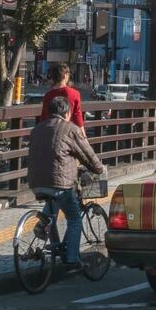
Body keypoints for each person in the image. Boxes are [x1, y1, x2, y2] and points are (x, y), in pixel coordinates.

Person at [27, 95, 105, 267]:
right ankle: (72, 258)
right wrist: (99, 169)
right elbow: (87, 154)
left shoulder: (37, 129)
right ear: (67, 112)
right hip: (60, 183)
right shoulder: (70, 129)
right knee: (74, 217)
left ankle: (43, 224)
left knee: (53, 200)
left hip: (35, 182)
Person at [37, 63, 84, 129]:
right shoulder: (74, 93)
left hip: (51, 131)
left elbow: (44, 117)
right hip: (69, 132)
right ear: (65, 75)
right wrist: (83, 136)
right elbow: (78, 117)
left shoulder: (48, 95)